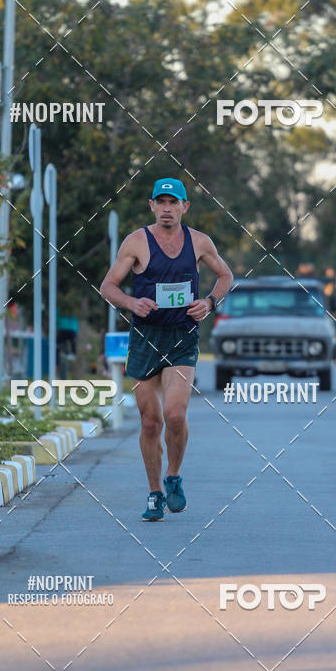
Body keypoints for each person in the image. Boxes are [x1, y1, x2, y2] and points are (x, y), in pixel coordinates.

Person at [99, 178, 233, 521]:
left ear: (185, 207)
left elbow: (225, 275)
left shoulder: (199, 242)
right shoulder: (136, 242)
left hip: (182, 335)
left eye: (174, 202)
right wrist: (132, 303)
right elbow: (108, 286)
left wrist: (210, 301)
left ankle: (173, 476)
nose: (167, 208)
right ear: (152, 206)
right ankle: (154, 492)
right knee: (150, 422)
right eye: (161, 202)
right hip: (145, 337)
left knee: (174, 415)